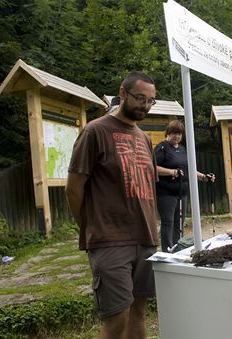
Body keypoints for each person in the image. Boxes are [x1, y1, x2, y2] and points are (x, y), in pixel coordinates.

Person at [66, 71, 159, 339]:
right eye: (140, 98)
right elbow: (73, 189)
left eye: (150, 101)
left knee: (139, 315)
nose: (145, 105)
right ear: (122, 93)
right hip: (110, 241)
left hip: (145, 238)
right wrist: (90, 228)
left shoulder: (144, 137)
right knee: (116, 321)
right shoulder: (95, 131)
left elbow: (147, 187)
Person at [155, 119, 215, 252]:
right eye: (174, 133)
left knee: (179, 223)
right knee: (168, 222)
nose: (177, 136)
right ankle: (167, 251)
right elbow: (153, 168)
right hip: (166, 193)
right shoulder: (162, 148)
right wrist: (172, 172)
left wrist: (204, 177)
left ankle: (177, 249)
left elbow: (188, 169)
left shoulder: (182, 149)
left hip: (182, 193)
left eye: (179, 134)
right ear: (168, 133)